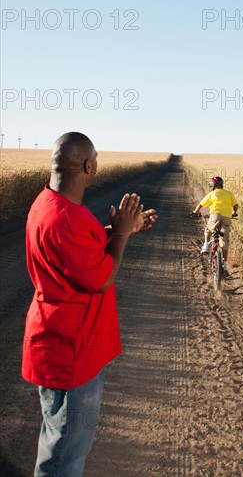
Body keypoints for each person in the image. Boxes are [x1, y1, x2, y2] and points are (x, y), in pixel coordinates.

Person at [22, 132, 158, 477]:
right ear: (88, 166)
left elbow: (77, 246)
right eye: (95, 158)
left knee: (57, 437)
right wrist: (122, 234)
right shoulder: (65, 217)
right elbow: (100, 278)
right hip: (72, 353)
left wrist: (119, 229)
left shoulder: (48, 203)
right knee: (66, 453)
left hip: (60, 344)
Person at [192, 176, 238, 274]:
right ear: (222, 184)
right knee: (225, 240)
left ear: (212, 185)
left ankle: (205, 246)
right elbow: (235, 205)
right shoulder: (229, 194)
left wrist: (196, 211)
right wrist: (234, 212)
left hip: (215, 215)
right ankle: (225, 265)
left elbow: (201, 204)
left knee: (209, 229)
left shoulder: (212, 194)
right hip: (226, 217)